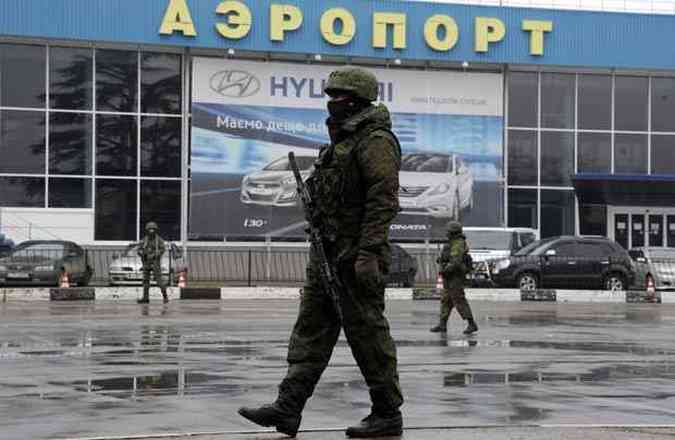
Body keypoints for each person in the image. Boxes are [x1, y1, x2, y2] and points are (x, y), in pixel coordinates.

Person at [238, 67, 404, 438]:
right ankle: (288, 408)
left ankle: (387, 413)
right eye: (331, 97)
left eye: (340, 98)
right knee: (310, 334)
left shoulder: (375, 140)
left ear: (358, 100)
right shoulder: (338, 145)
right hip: (326, 256)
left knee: (367, 337)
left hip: (356, 258)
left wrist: (369, 253)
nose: (333, 104)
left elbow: (383, 201)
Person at [430, 221, 478, 335]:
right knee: (446, 300)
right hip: (450, 275)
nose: (446, 233)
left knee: (459, 299)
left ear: (453, 232)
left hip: (455, 276)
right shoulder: (452, 242)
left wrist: (445, 270)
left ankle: (472, 324)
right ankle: (442, 324)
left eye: (448, 231)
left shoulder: (458, 243)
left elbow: (455, 261)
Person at [137, 221, 168, 304]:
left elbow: (162, 249)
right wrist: (142, 253)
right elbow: (139, 249)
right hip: (146, 262)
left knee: (159, 281)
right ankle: (145, 298)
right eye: (149, 229)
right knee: (145, 281)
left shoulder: (159, 240)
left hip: (155, 263)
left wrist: (155, 254)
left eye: (153, 229)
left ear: (155, 230)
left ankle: (165, 296)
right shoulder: (144, 240)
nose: (151, 231)